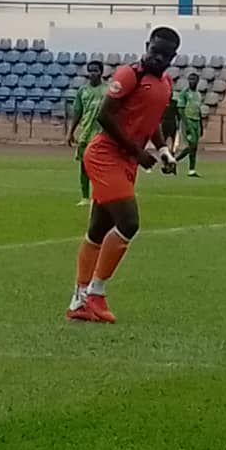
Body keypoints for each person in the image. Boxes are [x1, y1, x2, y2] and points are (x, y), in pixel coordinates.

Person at [65, 27, 181, 324]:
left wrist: (163, 151)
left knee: (97, 230)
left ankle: (78, 301)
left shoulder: (165, 83)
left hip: (125, 160)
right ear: (147, 45)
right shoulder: (130, 75)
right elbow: (105, 115)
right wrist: (137, 152)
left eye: (164, 54)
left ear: (173, 57)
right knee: (129, 223)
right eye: (154, 51)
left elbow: (151, 121)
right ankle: (95, 293)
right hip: (105, 155)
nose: (157, 57)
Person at [67, 60, 107, 207]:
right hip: (86, 134)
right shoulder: (82, 91)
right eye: (90, 71)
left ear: (101, 72)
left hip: (102, 135)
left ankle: (101, 195)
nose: (92, 74)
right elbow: (77, 112)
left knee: (102, 167)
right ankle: (84, 197)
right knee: (84, 167)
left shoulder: (107, 90)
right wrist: (71, 132)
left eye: (95, 70)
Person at [175, 72, 203, 177]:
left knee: (194, 147)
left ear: (197, 81)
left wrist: (201, 125)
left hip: (196, 121)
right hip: (188, 120)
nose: (192, 81)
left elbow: (198, 110)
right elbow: (180, 110)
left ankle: (192, 170)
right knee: (192, 145)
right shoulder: (185, 93)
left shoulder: (198, 94)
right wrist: (186, 124)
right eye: (190, 79)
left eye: (194, 79)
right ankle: (174, 161)